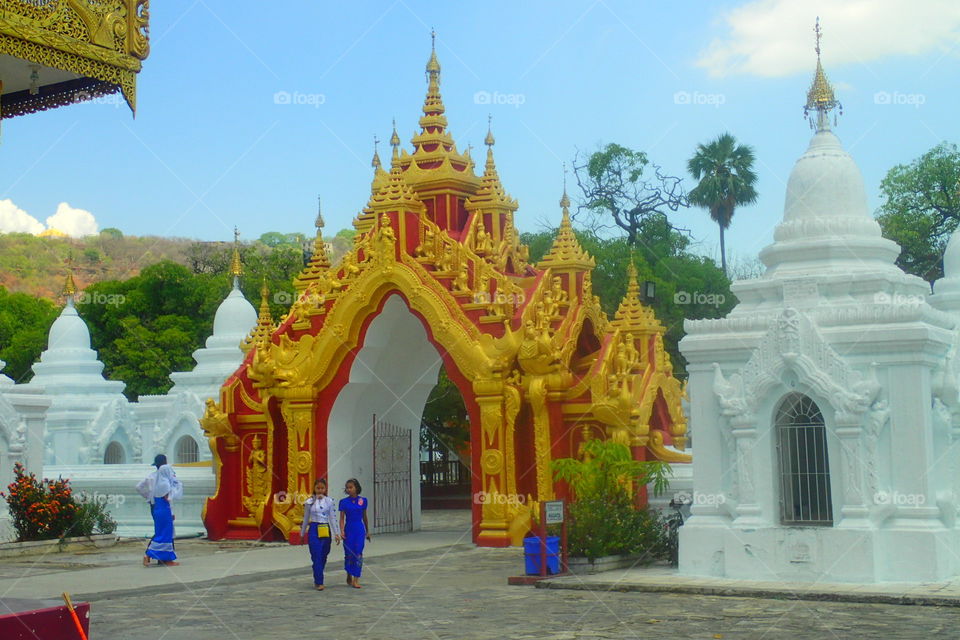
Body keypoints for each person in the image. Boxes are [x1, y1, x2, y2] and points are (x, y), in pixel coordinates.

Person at [136, 454, 183, 567]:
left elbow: (138, 487)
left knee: (161, 533)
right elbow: (168, 499)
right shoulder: (165, 484)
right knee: (165, 534)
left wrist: (148, 497)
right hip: (164, 509)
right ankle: (157, 556)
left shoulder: (154, 478)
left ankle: (162, 557)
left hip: (155, 507)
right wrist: (172, 512)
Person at [299, 478, 341, 590]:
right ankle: (319, 581)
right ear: (314, 488)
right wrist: (302, 534)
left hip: (325, 528)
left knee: (323, 554)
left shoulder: (329, 501)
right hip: (314, 528)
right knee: (316, 554)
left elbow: (332, 518)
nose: (320, 490)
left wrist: (337, 533)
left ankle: (318, 572)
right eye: (318, 488)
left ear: (325, 488)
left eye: (322, 488)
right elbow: (306, 518)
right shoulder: (309, 502)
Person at [339, 478, 371, 588]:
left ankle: (356, 578)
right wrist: (342, 530)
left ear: (356, 488)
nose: (349, 489)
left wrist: (367, 531)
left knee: (358, 552)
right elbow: (342, 518)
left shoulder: (363, 501)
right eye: (347, 488)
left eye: (351, 487)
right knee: (349, 553)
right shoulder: (343, 502)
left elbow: (364, 517)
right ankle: (349, 573)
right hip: (349, 529)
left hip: (359, 529)